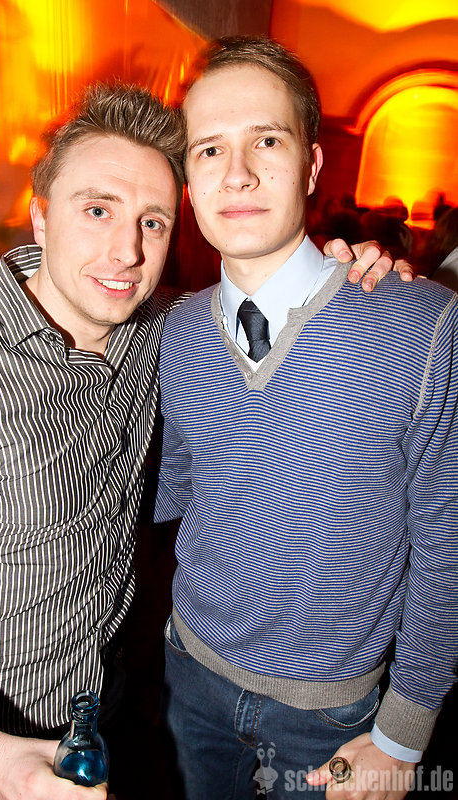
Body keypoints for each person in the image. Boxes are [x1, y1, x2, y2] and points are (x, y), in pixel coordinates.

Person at [0, 77, 409, 800]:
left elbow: (263, 309)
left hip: (111, 704)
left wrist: (357, 271)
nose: (125, 251)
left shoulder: (161, 331)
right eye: (97, 210)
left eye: (152, 222)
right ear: (40, 216)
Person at [154, 36, 458, 800]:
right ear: (187, 178)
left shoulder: (420, 323)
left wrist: (403, 732)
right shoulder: (175, 331)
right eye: (209, 150)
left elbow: (446, 535)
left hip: (331, 711)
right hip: (188, 669)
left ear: (312, 165)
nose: (237, 173)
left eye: (266, 140)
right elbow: (177, 486)